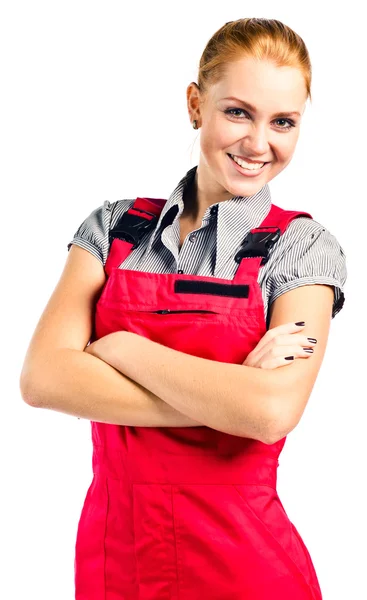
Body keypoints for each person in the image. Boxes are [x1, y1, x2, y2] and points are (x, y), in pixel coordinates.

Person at [20, 17, 347, 600]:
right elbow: (43, 378)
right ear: (196, 105)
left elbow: (271, 412)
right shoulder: (112, 229)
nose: (258, 144)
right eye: (238, 112)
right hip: (114, 565)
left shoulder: (302, 249)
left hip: (244, 570)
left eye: (283, 123)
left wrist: (122, 350)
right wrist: (229, 398)